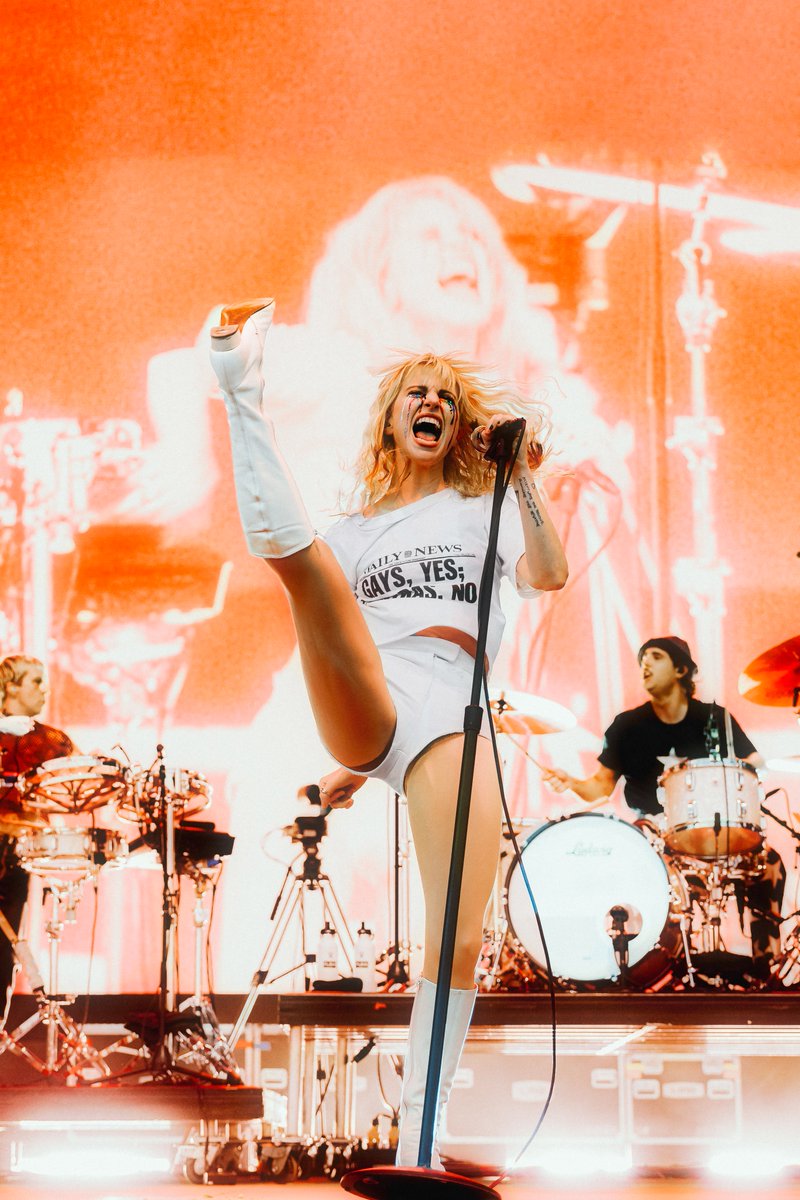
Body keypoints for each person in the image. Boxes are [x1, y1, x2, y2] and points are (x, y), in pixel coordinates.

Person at [208, 298, 567, 1168]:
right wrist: (355, 771)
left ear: (461, 422)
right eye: (416, 390)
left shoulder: (483, 512)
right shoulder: (356, 532)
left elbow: (548, 574)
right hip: (374, 699)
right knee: (312, 575)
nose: (431, 401)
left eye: (447, 393)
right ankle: (236, 382)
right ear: (393, 416)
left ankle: (421, 1139)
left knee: (461, 930)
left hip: (453, 706)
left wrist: (518, 473)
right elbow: (350, 659)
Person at [544, 635, 785, 970]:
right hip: (651, 837)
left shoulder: (715, 719)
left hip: (714, 829)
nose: (644, 663)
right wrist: (571, 783)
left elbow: (754, 767)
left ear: (681, 669)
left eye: (655, 656)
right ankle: (642, 966)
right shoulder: (627, 726)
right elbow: (599, 788)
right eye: (642, 657)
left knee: (768, 862)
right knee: (618, 862)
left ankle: (766, 968)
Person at [0, 656, 75, 1025]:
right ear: (10, 686)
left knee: (5, 950)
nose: (44, 690)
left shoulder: (48, 742)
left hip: (17, 854)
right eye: (35, 682)